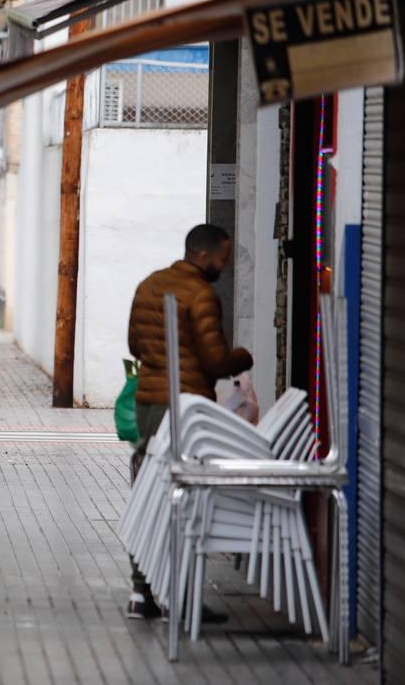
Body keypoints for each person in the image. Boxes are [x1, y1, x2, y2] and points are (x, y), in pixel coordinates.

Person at [124, 223, 253, 621]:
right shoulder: (201, 294)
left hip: (148, 403)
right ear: (203, 255)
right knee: (183, 498)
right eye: (222, 258)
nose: (223, 266)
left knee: (147, 493)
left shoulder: (149, 285)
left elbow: (134, 344)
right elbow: (215, 361)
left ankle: (142, 591)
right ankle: (179, 596)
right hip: (182, 410)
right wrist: (244, 358)